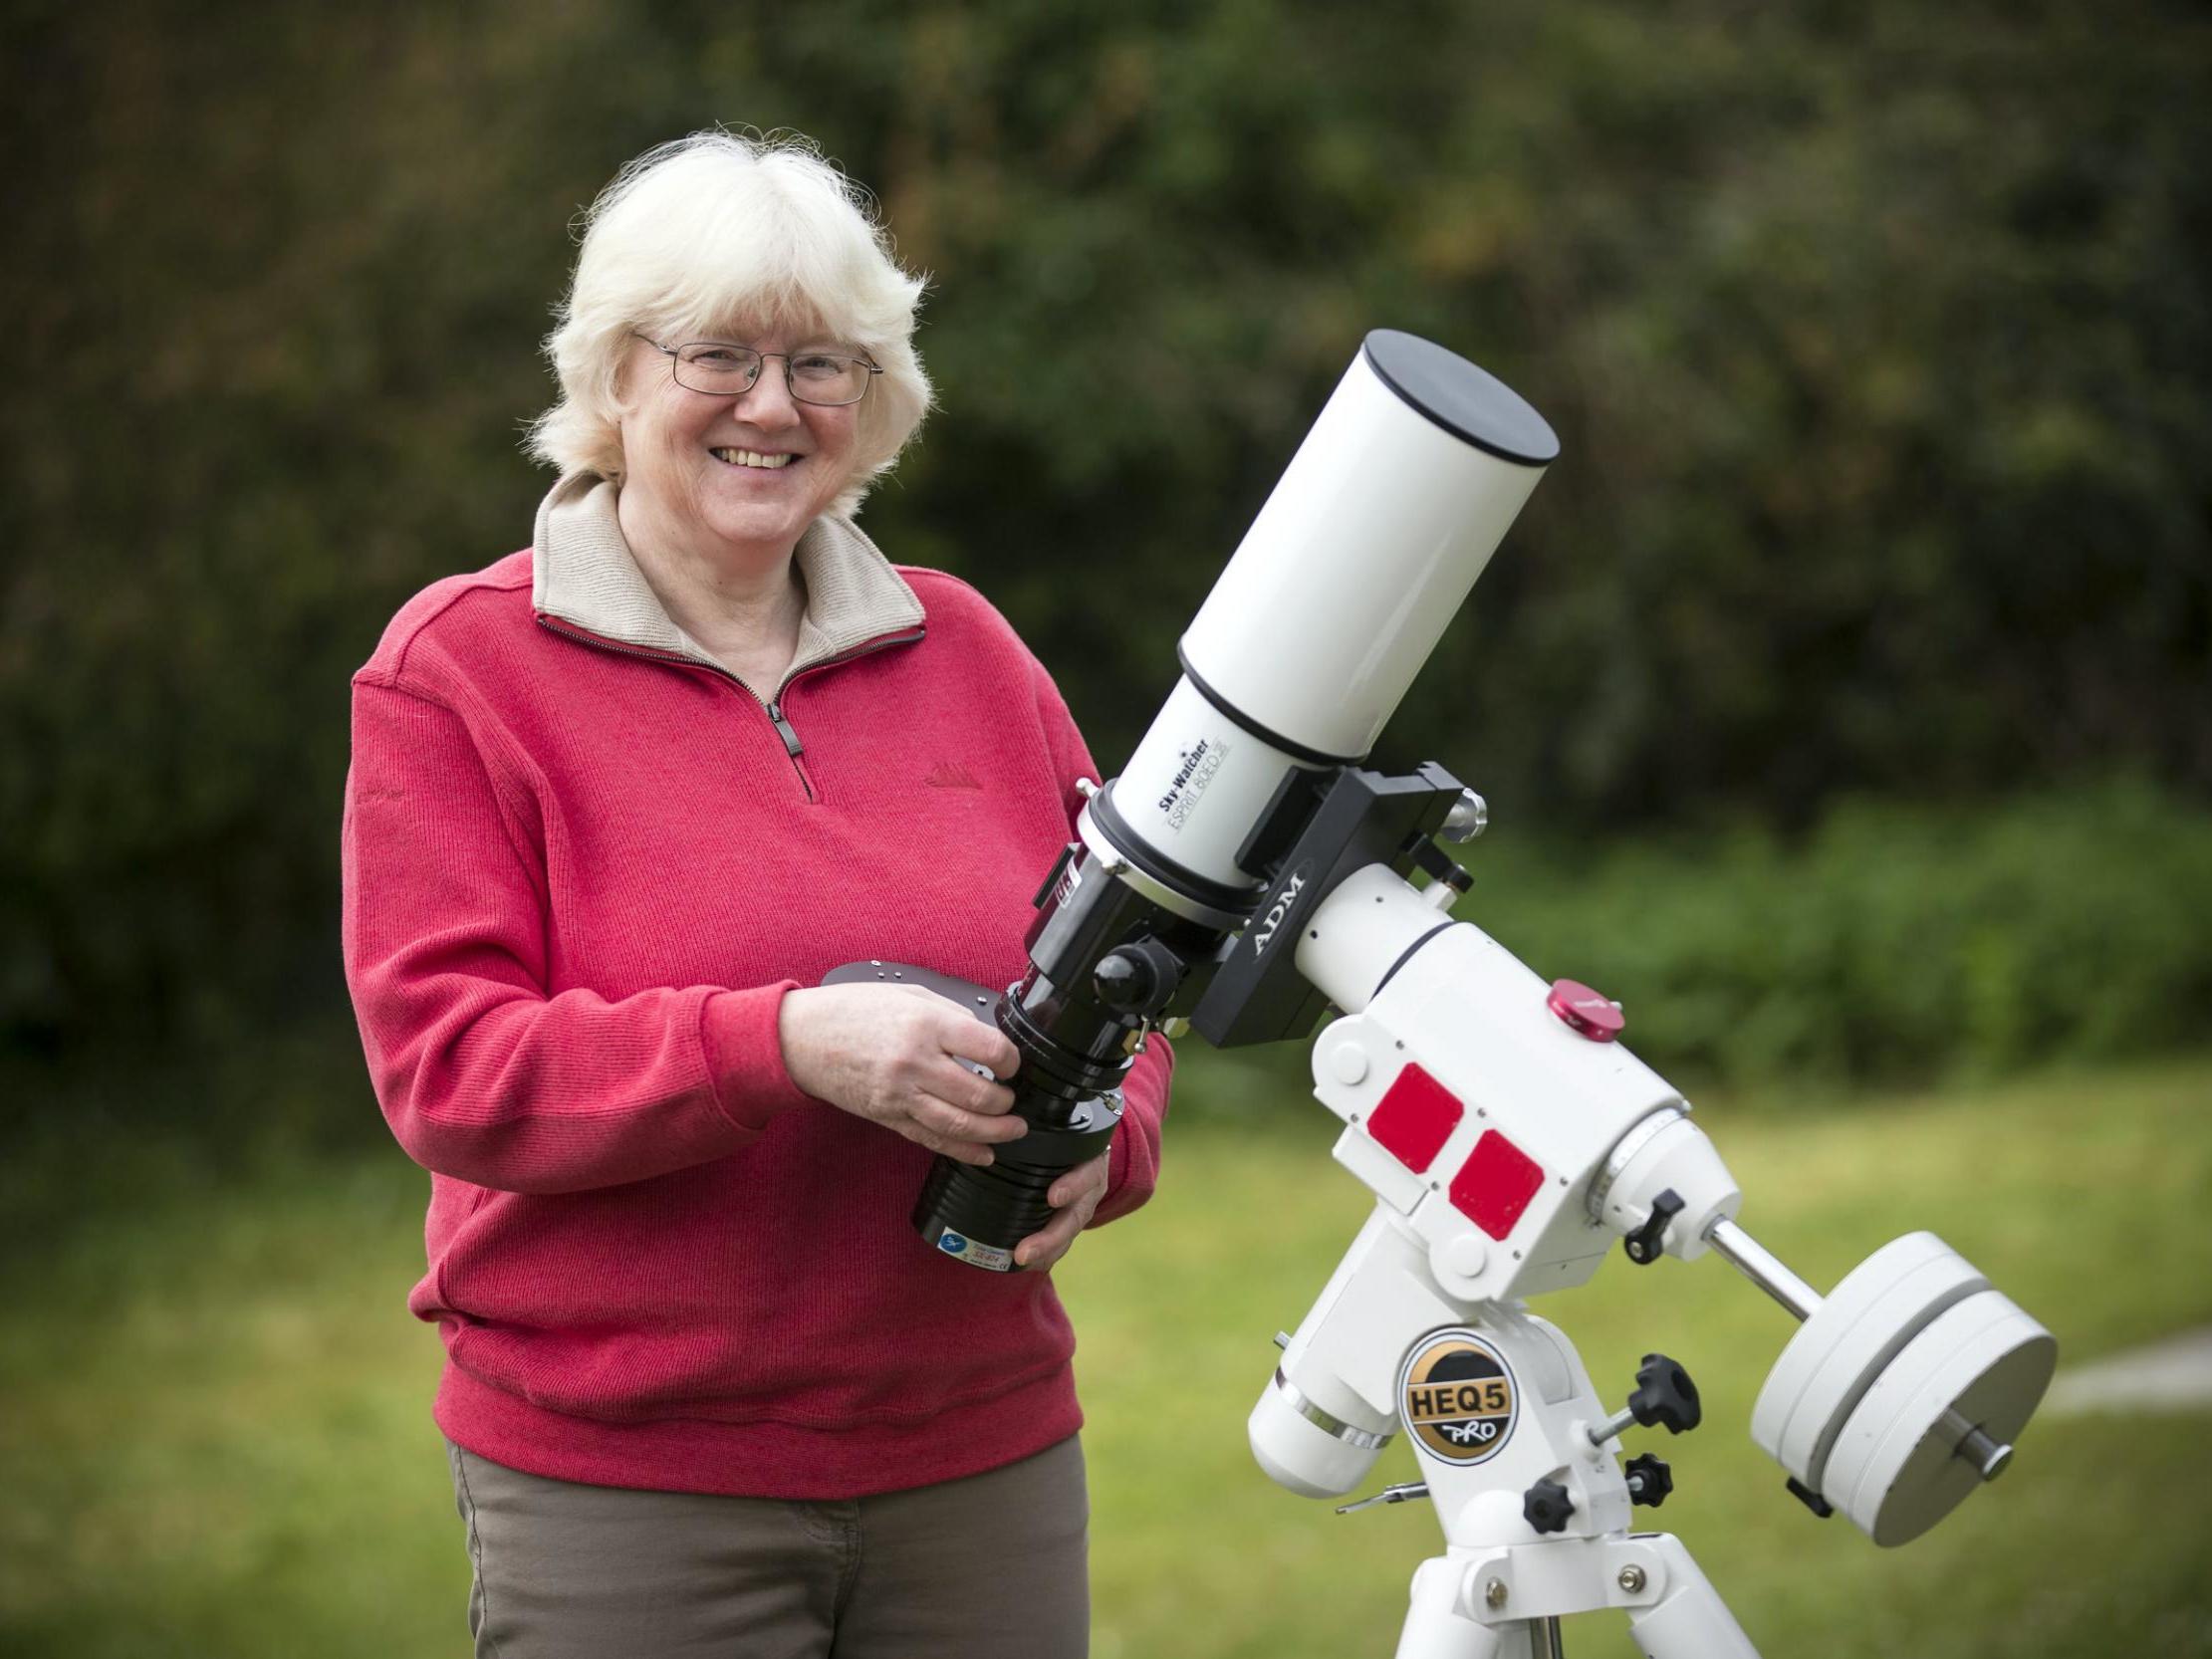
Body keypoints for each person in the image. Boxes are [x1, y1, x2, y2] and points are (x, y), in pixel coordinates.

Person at [340, 129, 1172, 1659]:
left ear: (875, 398)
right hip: (633, 1486)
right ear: (611, 379)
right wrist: (782, 1043)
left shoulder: (971, 648)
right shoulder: (459, 670)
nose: (773, 404)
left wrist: (1105, 1141)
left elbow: (1123, 965)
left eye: (823, 362)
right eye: (716, 352)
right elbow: (447, 1071)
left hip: (979, 1457)